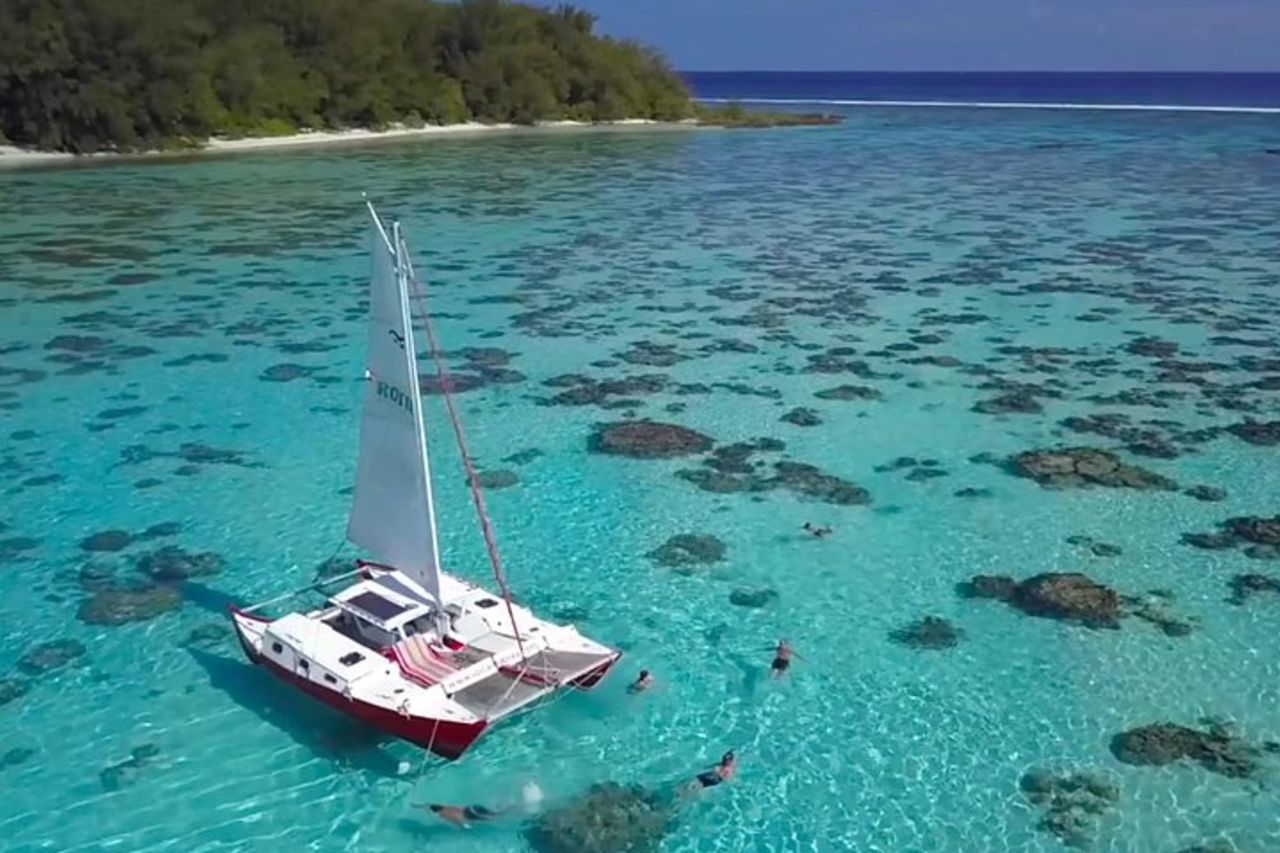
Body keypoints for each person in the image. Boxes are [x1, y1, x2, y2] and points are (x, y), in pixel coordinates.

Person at [421, 802, 509, 828]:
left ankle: (506, 822)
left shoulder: (443, 814)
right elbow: (429, 804)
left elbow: (455, 820)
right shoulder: (445, 806)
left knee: (492, 820)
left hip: (469, 814)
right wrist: (418, 806)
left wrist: (463, 826)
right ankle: (509, 807)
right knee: (495, 813)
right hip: (472, 807)